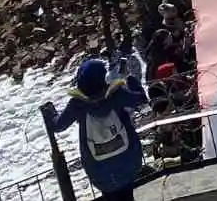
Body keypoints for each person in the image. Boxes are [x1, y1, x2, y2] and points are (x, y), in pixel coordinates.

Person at [45, 55, 147, 201]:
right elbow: (141, 99)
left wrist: (50, 112)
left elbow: (58, 126)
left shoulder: (78, 103)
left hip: (100, 174)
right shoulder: (116, 94)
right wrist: (130, 80)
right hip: (129, 164)